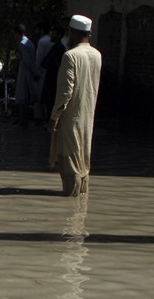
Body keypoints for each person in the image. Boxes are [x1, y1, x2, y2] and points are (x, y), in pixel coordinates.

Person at [47, 15, 102, 197]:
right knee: (83, 162)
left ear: (73, 33)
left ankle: (71, 208)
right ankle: (80, 207)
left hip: (71, 117)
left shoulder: (70, 56)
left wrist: (54, 118)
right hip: (88, 118)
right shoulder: (97, 55)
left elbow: (65, 92)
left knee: (69, 162)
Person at [13, 23, 39, 128]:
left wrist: (34, 73)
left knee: (22, 99)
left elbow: (27, 61)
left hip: (25, 73)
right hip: (28, 72)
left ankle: (23, 121)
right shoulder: (29, 43)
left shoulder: (23, 44)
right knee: (25, 98)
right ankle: (23, 121)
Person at [40, 25, 67, 117]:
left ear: (59, 35)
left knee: (52, 101)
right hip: (51, 77)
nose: (52, 35)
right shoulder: (55, 47)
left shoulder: (59, 48)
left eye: (54, 33)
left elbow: (52, 62)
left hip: (54, 79)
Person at [34, 22, 54, 120]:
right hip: (50, 72)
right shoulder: (52, 40)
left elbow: (39, 58)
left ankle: (39, 118)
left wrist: (36, 72)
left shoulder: (42, 41)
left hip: (42, 73)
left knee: (40, 97)